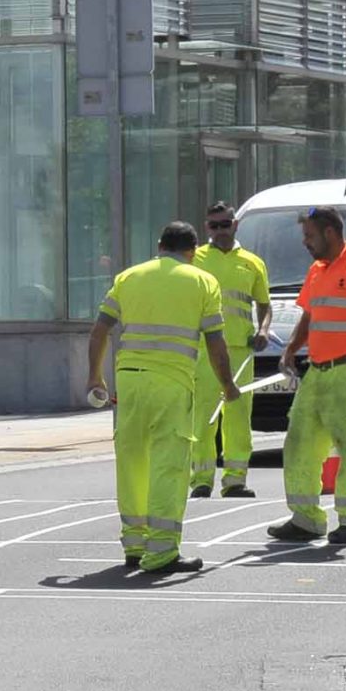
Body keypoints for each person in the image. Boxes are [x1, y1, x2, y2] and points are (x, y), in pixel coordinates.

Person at [87, 222, 243, 575]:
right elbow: (215, 342)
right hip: (172, 383)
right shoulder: (202, 281)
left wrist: (94, 377)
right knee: (169, 466)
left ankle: (134, 544)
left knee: (132, 461)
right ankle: (162, 552)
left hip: (128, 383)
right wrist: (228, 385)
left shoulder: (129, 277)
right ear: (192, 251)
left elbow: (100, 330)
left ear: (159, 246)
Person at [269, 205, 346, 547]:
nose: (305, 242)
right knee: (299, 444)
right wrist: (291, 349)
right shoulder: (317, 270)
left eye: (309, 235)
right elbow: (310, 316)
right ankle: (305, 518)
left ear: (329, 233)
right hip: (317, 372)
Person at [189, 202, 273, 499]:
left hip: (240, 349)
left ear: (236, 224)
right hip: (203, 349)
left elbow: (264, 305)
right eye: (214, 225)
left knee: (238, 417)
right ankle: (201, 479)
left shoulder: (252, 262)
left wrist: (262, 330)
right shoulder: (195, 258)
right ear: (206, 227)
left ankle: (235, 479)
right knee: (203, 416)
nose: (220, 230)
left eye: (225, 224)